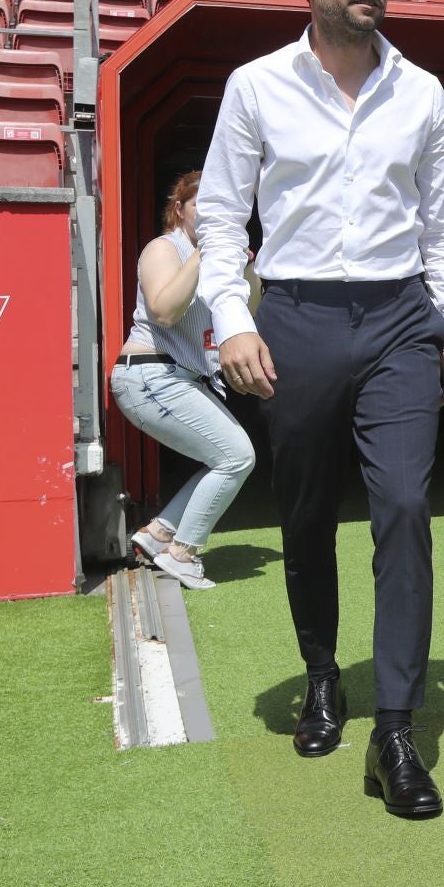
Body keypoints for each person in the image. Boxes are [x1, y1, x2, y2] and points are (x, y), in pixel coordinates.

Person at [197, 0, 444, 819]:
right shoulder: (255, 85)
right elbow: (220, 215)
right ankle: (323, 670)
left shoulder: (423, 92)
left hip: (400, 316)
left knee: (402, 501)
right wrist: (233, 320)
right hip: (301, 317)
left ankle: (394, 726)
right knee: (307, 506)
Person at [110, 171, 258, 591]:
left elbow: (249, 319)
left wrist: (249, 274)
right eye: (200, 206)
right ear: (179, 210)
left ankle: (157, 534)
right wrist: (203, 253)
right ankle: (182, 552)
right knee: (237, 457)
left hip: (174, 378)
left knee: (226, 458)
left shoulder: (216, 262)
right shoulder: (164, 248)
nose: (210, 217)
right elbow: (164, 311)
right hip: (149, 374)